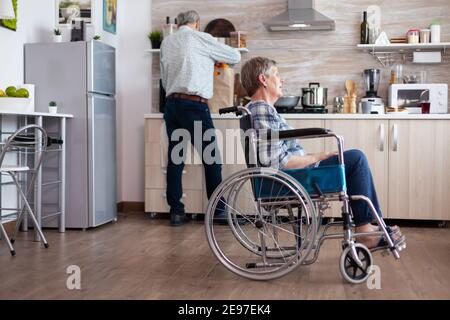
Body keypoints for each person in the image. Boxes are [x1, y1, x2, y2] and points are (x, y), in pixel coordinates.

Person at [240, 57, 402, 250]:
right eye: (276, 74)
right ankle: (366, 230)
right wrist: (319, 156)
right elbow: (279, 162)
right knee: (355, 159)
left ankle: (368, 227)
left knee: (351, 160)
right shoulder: (261, 109)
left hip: (290, 177)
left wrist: (318, 156)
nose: (281, 80)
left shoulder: (261, 110)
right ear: (263, 79)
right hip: (287, 180)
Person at [160, 10, 241, 226]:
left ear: (178, 24)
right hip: (194, 106)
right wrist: (211, 57)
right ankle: (219, 211)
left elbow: (164, 77)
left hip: (172, 105)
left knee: (176, 160)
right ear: (197, 23)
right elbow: (235, 56)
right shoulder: (201, 38)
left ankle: (176, 212)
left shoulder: (167, 43)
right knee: (211, 159)